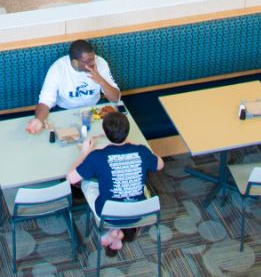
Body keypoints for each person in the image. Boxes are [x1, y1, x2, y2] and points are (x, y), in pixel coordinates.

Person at [67, 110, 162, 256]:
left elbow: (71, 178)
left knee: (87, 182)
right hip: (139, 212)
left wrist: (85, 152)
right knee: (138, 185)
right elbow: (160, 165)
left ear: (105, 133)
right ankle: (119, 230)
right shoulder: (142, 151)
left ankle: (113, 229)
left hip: (108, 214)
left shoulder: (97, 156)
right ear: (127, 131)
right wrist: (136, 146)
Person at [24, 40, 121, 134]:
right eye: (88, 61)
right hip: (65, 110)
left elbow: (116, 98)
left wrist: (101, 81)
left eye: (93, 58)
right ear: (75, 62)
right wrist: (38, 120)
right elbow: (45, 100)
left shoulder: (100, 63)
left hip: (93, 109)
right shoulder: (58, 68)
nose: (92, 63)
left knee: (107, 135)